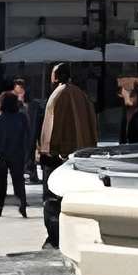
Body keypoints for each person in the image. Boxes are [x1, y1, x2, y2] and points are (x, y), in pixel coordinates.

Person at [36, 63, 96, 249]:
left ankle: (54, 238)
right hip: (79, 154)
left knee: (52, 199)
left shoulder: (58, 95)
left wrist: (46, 152)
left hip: (57, 157)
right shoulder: (81, 94)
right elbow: (92, 124)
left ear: (56, 77)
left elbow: (52, 127)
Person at [0, 91, 32, 218]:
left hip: (1, 156)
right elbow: (28, 135)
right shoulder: (22, 117)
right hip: (18, 154)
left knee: (1, 182)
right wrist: (28, 152)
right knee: (19, 181)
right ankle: (22, 203)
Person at [12, 77, 43, 182]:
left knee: (30, 153)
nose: (19, 94)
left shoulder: (33, 106)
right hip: (18, 134)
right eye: (17, 91)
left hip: (31, 132)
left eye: (20, 91)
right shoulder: (13, 105)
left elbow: (37, 120)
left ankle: (32, 174)